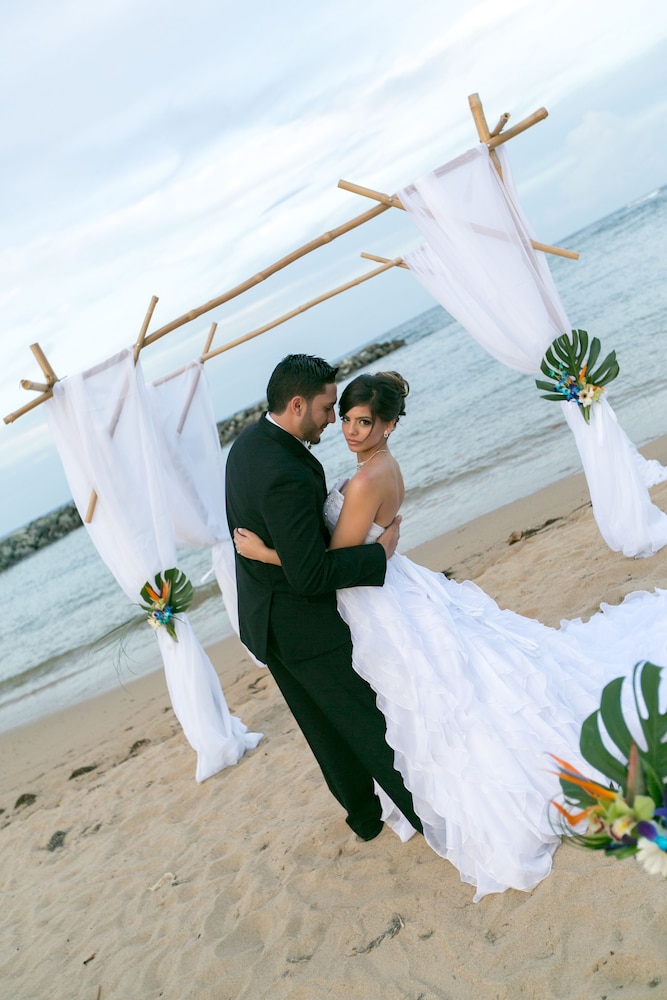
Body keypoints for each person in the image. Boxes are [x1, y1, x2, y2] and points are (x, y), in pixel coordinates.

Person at [234, 370, 667, 900]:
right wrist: (375, 547)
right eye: (342, 416)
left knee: (421, 693)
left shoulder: (364, 477)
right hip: (382, 591)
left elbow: (327, 562)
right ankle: (382, 800)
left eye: (361, 421)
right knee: (420, 690)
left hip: (373, 594)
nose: (346, 428)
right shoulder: (370, 467)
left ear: (389, 425)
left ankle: (407, 802)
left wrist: (265, 554)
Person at [225, 354, 424, 842]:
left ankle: (363, 817)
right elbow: (312, 572)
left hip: (266, 619)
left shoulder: (249, 441)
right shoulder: (285, 471)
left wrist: (265, 554)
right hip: (302, 622)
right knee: (362, 721)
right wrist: (378, 556)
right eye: (328, 408)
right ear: (297, 404)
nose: (334, 421)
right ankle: (424, 815)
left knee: (323, 728)